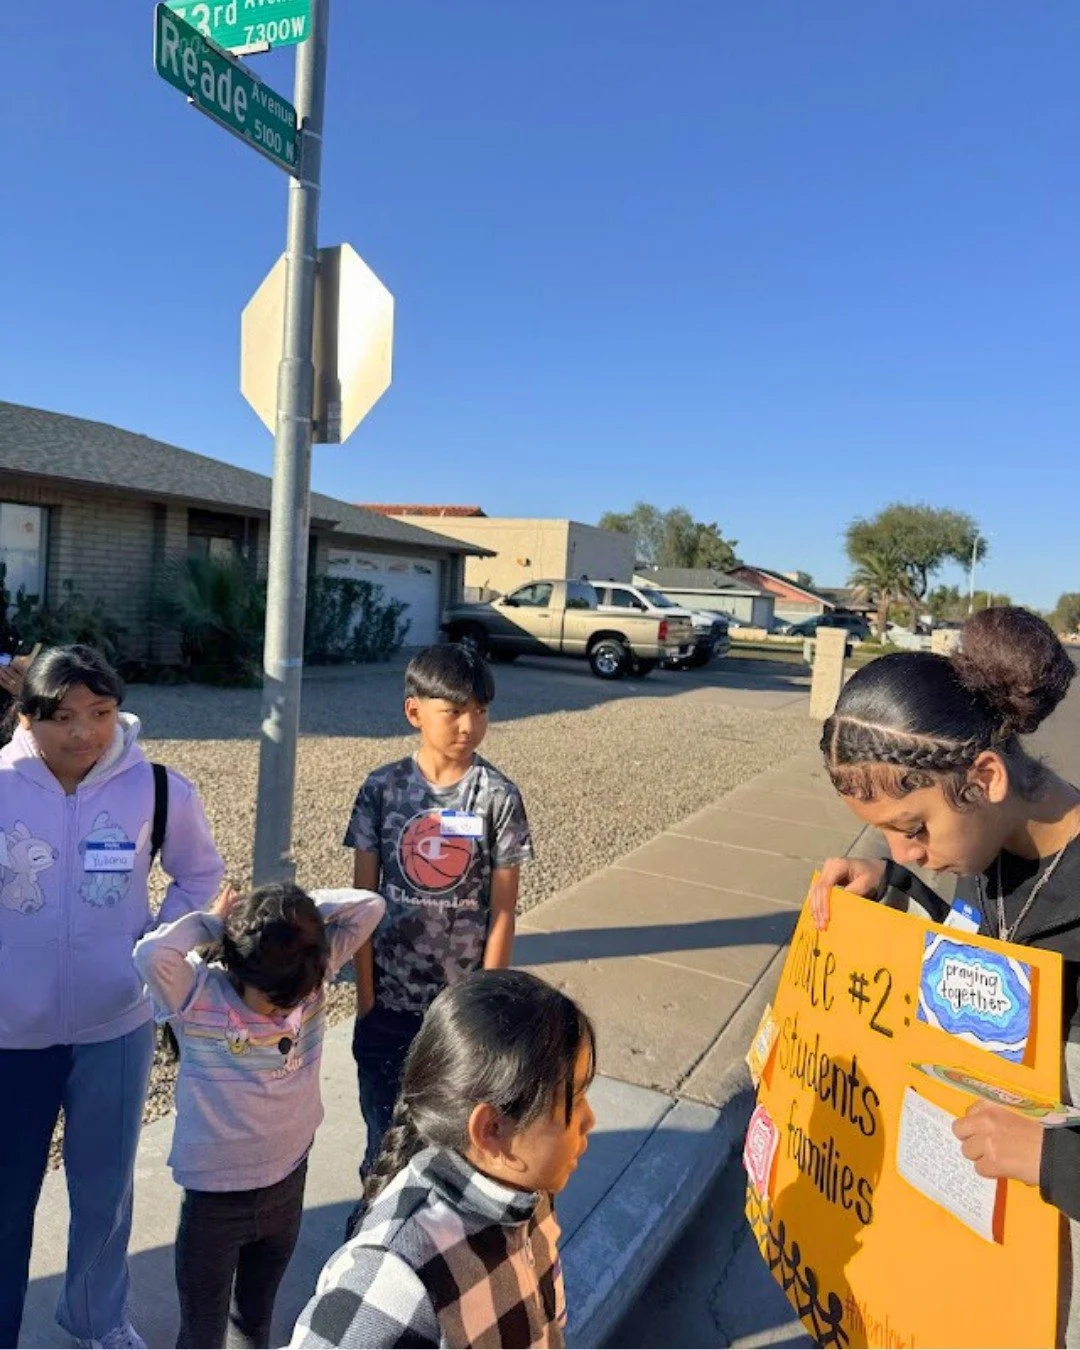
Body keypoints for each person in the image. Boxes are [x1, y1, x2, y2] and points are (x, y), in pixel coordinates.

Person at [807, 607, 1080, 1340]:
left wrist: (1057, 1159)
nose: (907, 850)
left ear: (985, 776)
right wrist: (893, 892)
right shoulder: (989, 854)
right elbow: (987, 957)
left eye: (914, 828)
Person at [0, 644, 225, 1350]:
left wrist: (159, 946)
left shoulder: (159, 790)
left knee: (104, 1193)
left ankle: (98, 1321)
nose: (84, 733)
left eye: (99, 713)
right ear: (28, 717)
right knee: (6, 1202)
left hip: (115, 1027)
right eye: (62, 716)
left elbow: (200, 875)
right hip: (9, 1033)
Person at [133, 880, 385, 1349]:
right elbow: (150, 955)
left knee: (254, 1322)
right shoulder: (195, 994)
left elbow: (370, 906)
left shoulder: (304, 974)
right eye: (271, 999)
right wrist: (217, 925)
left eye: (290, 1000)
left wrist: (294, 917)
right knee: (203, 1333)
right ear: (236, 964)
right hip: (214, 1204)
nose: (281, 1011)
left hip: (286, 1186)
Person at [290, 968, 596, 1350]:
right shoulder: (395, 1276)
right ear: (491, 1130)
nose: (589, 1120)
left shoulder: (526, 1191)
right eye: (575, 1100)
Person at [344, 644, 533, 1230]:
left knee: (451, 1146)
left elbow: (503, 912)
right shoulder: (381, 790)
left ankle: (436, 1246)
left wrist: (485, 1009)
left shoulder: (497, 797)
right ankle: (372, 1238)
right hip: (390, 1008)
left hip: (458, 1017)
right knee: (383, 1138)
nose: (468, 725)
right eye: (452, 710)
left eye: (479, 709)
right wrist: (368, 1001)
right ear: (413, 711)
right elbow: (363, 909)